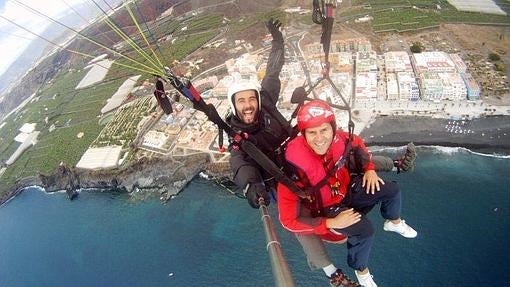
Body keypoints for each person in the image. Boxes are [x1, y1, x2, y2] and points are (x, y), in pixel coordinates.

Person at [226, 19, 417, 209]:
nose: (248, 105)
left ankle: (397, 165)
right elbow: (240, 164)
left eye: (251, 99)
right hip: (283, 177)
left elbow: (272, 72)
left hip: (299, 151)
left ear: (257, 99)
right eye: (241, 101)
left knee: (348, 157)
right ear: (234, 106)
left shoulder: (265, 102)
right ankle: (335, 210)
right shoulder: (238, 138)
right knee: (329, 179)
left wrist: (278, 42)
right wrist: (252, 186)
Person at [277, 100, 418, 287]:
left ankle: (394, 222)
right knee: (365, 230)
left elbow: (357, 143)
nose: (319, 138)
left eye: (324, 130)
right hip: (327, 209)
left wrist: (369, 169)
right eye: (312, 132)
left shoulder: (339, 140)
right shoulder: (293, 169)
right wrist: (330, 223)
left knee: (392, 190)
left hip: (346, 190)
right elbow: (289, 221)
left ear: (333, 129)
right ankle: (362, 271)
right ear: (303, 135)